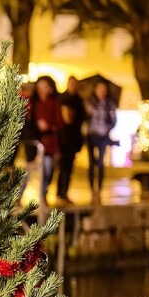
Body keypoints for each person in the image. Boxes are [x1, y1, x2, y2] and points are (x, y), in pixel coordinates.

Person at [30, 76, 63, 204]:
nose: (42, 90)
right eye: (40, 87)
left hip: (50, 143)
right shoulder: (34, 103)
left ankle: (44, 193)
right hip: (36, 142)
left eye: (44, 87)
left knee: (48, 170)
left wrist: (48, 126)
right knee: (32, 171)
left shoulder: (55, 103)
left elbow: (59, 123)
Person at [85, 81, 117, 201]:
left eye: (104, 89)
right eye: (100, 89)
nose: (102, 92)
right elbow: (84, 118)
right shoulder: (89, 102)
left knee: (101, 163)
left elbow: (114, 120)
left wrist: (107, 128)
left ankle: (99, 188)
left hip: (103, 136)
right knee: (91, 162)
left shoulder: (109, 104)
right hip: (91, 135)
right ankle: (92, 188)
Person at [57, 76, 85, 205]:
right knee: (62, 167)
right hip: (63, 138)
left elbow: (82, 119)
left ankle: (64, 192)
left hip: (73, 138)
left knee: (69, 167)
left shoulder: (79, 100)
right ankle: (59, 192)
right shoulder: (62, 98)